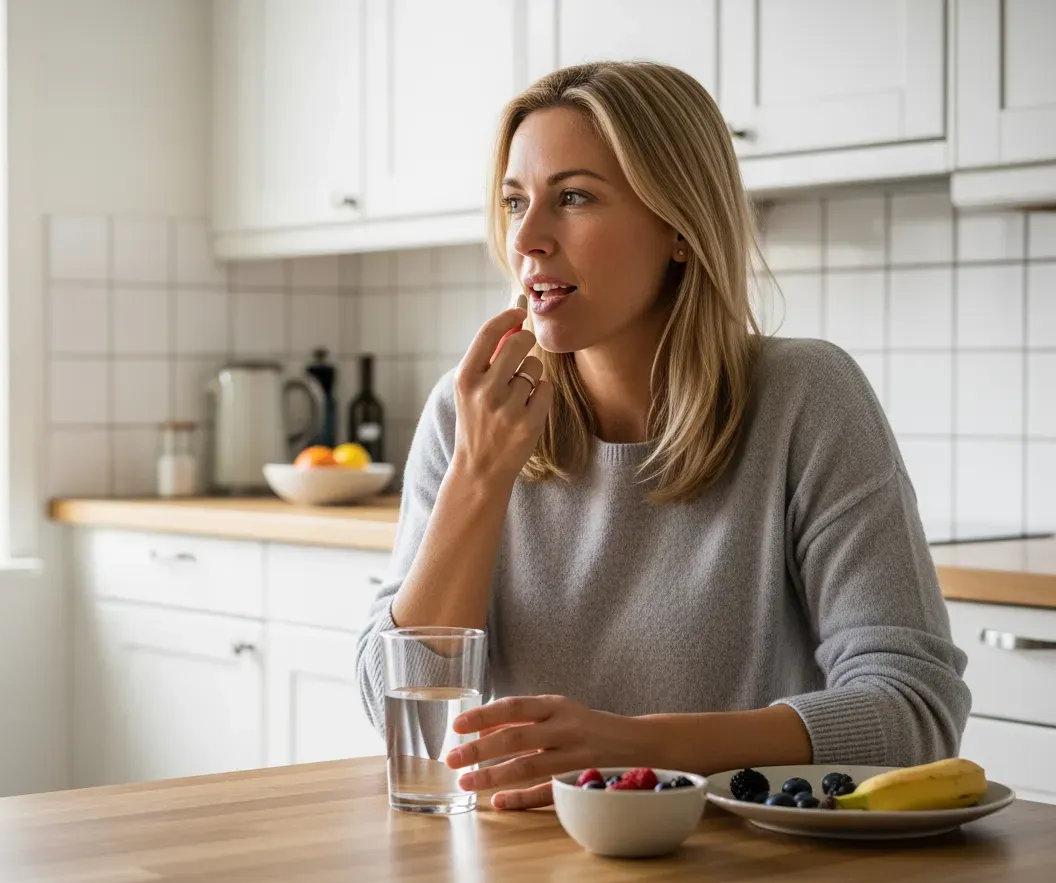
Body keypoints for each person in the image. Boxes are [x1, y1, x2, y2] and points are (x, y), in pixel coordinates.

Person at [355, 61, 970, 811]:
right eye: (516, 202)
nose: (529, 238)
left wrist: (632, 747)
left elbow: (916, 709)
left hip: (746, 865)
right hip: (523, 863)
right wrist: (479, 477)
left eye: (573, 197)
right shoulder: (467, 413)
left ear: (680, 226)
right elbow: (397, 712)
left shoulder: (805, 397)